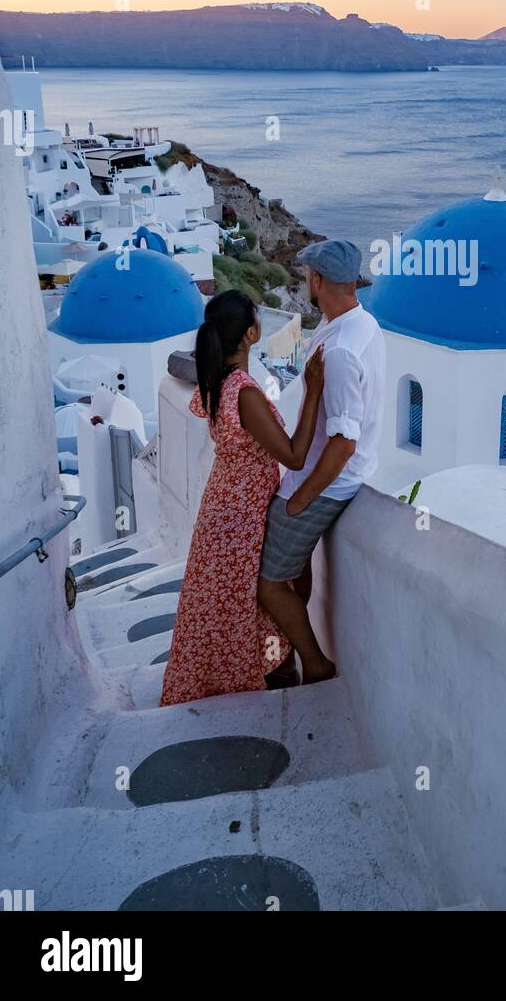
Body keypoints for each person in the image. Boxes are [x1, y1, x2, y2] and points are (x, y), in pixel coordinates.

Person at [160, 289, 324, 706]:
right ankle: (282, 666)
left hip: (223, 503)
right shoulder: (246, 393)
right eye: (257, 318)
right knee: (257, 593)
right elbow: (293, 454)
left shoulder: (217, 382)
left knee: (230, 600)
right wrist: (313, 391)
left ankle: (271, 666)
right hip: (242, 511)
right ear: (252, 333)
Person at [258, 239, 385, 684]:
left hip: (323, 484)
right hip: (325, 479)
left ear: (316, 280)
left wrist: (300, 500)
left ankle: (314, 663)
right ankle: (295, 655)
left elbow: (343, 442)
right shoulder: (359, 323)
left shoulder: (344, 350)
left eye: (306, 275)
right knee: (293, 573)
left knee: (269, 583)